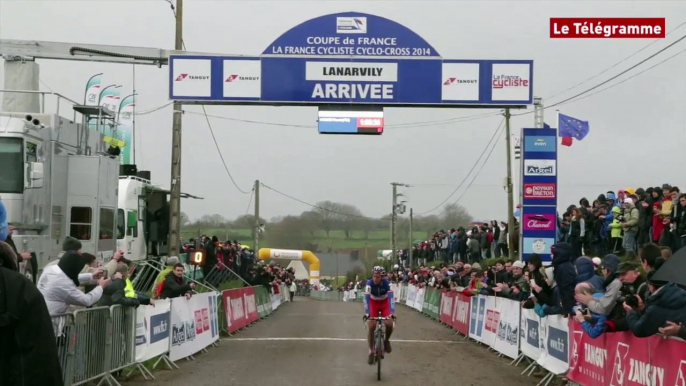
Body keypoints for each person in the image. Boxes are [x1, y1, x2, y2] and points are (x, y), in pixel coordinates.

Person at [363, 266, 396, 365]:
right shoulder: (369, 283)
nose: (375, 279)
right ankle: (370, 351)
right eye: (374, 276)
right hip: (373, 303)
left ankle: (386, 340)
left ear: (382, 277)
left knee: (389, 323)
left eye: (377, 277)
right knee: (372, 325)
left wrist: (393, 312)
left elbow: (391, 298)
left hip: (385, 303)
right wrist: (367, 312)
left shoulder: (387, 283)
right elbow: (366, 298)